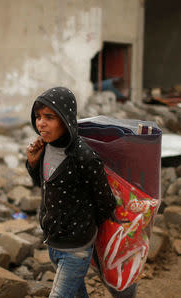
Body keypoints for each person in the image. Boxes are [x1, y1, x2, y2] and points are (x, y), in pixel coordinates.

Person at [26, 87, 118, 298]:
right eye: (38, 116)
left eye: (49, 117)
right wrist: (32, 163)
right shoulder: (45, 147)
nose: (41, 123)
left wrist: (84, 229)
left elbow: (105, 201)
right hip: (53, 242)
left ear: (66, 119)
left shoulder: (84, 157)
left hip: (76, 248)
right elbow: (45, 185)